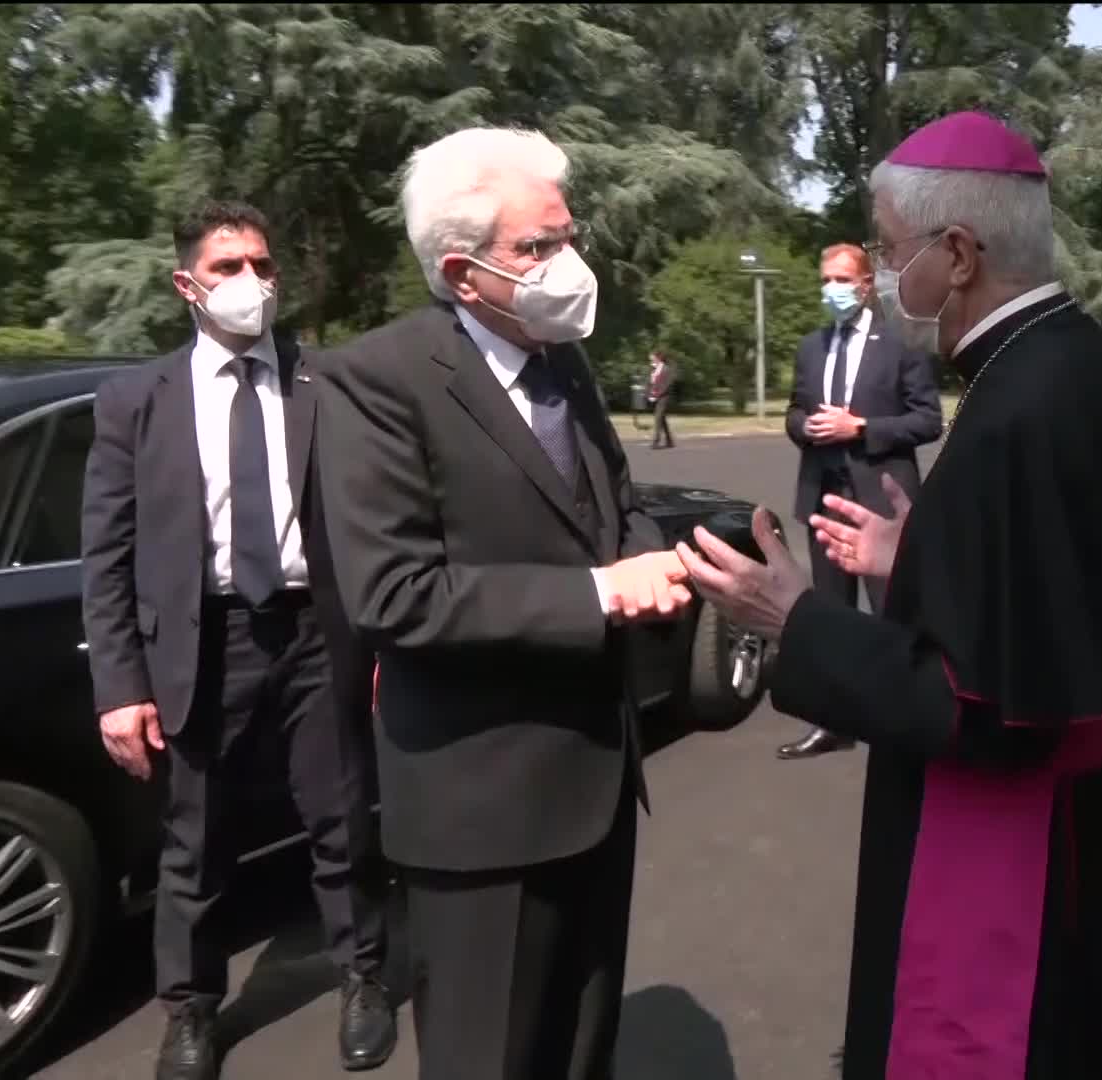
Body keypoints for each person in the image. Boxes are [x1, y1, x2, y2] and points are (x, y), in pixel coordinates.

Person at [679, 111, 1102, 1080]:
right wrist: (920, 555)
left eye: (887, 250)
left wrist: (792, 618)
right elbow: (1057, 590)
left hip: (1025, 836)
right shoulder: (1078, 366)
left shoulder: (1020, 410)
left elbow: (965, 699)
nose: (883, 277)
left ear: (958, 252)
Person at [314, 126, 691, 1079]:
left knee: (580, 1052)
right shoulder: (378, 381)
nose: (568, 265)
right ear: (462, 269)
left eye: (568, 236)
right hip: (482, 815)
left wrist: (654, 568)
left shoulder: (562, 359)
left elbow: (621, 506)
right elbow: (395, 596)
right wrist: (597, 593)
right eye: (537, 248)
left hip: (598, 791)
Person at [80, 200, 395, 1080]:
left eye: (261, 264)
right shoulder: (135, 402)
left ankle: (364, 978)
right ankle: (189, 1009)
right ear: (188, 284)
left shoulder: (321, 383)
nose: (249, 282)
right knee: (196, 847)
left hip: (316, 636)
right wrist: (119, 686)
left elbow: (369, 521)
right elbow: (106, 554)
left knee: (344, 827)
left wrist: (379, 642)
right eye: (227, 268)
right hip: (202, 645)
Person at [777, 241, 943, 760]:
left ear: (867, 285)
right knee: (830, 613)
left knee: (894, 613)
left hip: (880, 499)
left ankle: (907, 720)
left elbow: (927, 420)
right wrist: (807, 426)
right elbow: (792, 414)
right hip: (824, 491)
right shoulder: (810, 347)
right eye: (825, 280)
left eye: (842, 280)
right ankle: (834, 722)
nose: (832, 290)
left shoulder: (901, 344)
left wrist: (861, 426)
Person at [648, 349, 676, 449]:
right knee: (662, 419)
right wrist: (650, 394)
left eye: (652, 357)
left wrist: (656, 395)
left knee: (658, 417)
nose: (650, 359)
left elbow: (666, 385)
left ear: (658, 358)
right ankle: (670, 441)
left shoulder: (666, 369)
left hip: (664, 397)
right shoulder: (654, 369)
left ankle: (656, 441)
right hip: (656, 397)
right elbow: (652, 384)